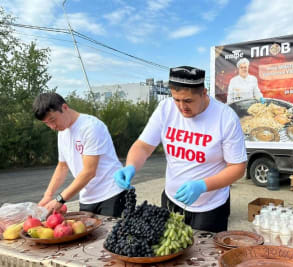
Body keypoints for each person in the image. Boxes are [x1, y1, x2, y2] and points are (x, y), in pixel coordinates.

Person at [114, 66, 247, 232]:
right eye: (176, 99)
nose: (181, 107)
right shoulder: (165, 108)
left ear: (204, 93)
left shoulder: (225, 117)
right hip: (172, 201)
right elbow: (144, 146)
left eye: (188, 101)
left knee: (204, 256)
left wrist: (202, 186)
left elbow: (237, 167)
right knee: (170, 252)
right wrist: (131, 165)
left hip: (210, 208)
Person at [33, 92, 126, 217]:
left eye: (52, 120)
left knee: (112, 235)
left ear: (64, 108)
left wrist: (60, 199)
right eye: (46, 123)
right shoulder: (62, 133)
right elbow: (62, 166)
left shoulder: (90, 127)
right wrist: (48, 195)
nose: (52, 127)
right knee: (87, 234)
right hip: (87, 198)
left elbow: (89, 172)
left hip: (111, 193)